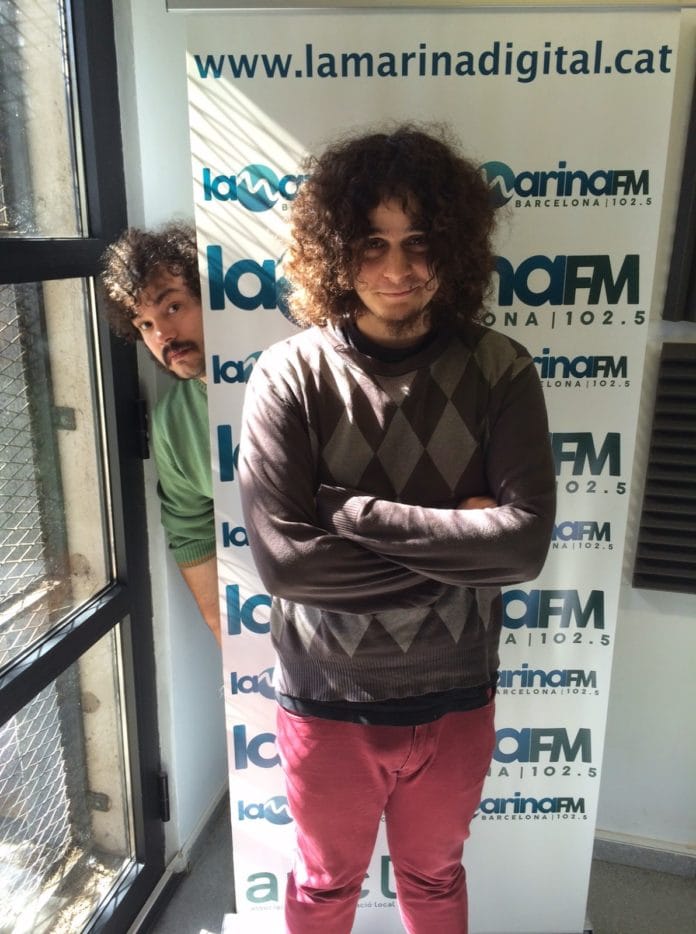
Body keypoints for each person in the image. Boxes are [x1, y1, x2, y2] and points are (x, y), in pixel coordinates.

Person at [238, 125, 556, 934]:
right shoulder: (289, 375)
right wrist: (462, 545)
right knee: (323, 888)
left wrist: (349, 512)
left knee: (436, 880)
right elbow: (289, 568)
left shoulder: (502, 369)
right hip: (325, 701)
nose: (397, 269)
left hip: (456, 698)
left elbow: (522, 547)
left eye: (419, 241)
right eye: (371, 243)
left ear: (454, 245)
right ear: (333, 251)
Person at [100, 222, 220, 644]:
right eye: (145, 325)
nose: (163, 335)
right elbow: (190, 528)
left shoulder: (292, 366)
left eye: (172, 307)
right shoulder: (172, 421)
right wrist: (228, 636)